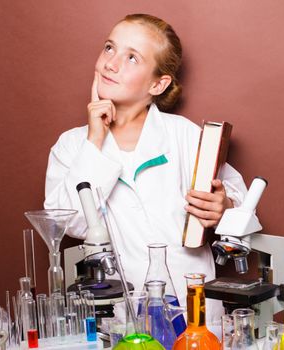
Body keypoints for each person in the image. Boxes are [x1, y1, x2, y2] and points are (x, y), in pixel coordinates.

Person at [44, 14, 251, 323]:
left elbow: (241, 204)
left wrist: (225, 208)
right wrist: (95, 141)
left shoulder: (185, 135)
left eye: (131, 58)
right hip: (118, 315)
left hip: (191, 305)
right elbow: (69, 224)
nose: (111, 63)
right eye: (110, 48)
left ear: (158, 83)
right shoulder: (73, 146)